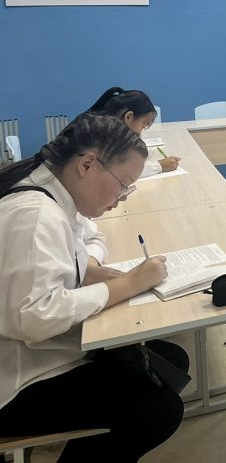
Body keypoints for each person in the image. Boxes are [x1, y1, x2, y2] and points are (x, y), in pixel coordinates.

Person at [0, 113, 186, 461]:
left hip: (44, 351)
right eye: (123, 184)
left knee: (170, 360)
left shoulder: (55, 191)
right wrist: (127, 285)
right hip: (18, 381)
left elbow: (76, 249)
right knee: (158, 410)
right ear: (86, 165)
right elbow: (33, 318)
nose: (123, 196)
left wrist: (89, 271)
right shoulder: (34, 213)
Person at [87, 87, 181, 176]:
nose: (140, 132)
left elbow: (127, 154)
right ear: (128, 117)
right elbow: (121, 171)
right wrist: (160, 166)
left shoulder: (107, 127)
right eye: (143, 126)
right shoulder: (100, 136)